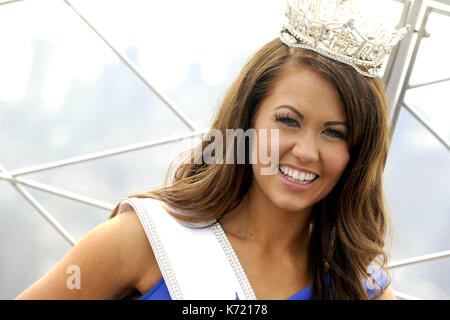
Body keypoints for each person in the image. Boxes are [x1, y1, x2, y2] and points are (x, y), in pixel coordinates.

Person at [16, 0, 409, 300]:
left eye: (334, 133)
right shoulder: (141, 240)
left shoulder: (359, 285)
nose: (306, 151)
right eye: (288, 121)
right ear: (247, 122)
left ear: (358, 152)